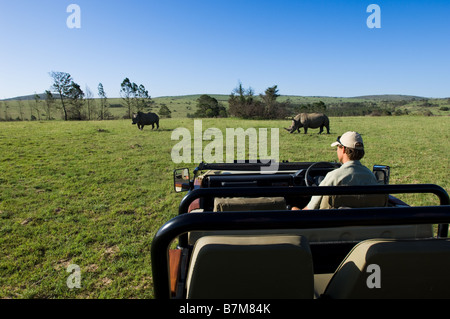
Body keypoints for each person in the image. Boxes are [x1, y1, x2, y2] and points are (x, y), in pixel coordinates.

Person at [292, 131, 379, 210]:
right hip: (365, 224)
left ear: (343, 149)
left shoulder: (334, 176)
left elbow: (310, 209)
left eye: (338, 147)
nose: (337, 150)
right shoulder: (371, 175)